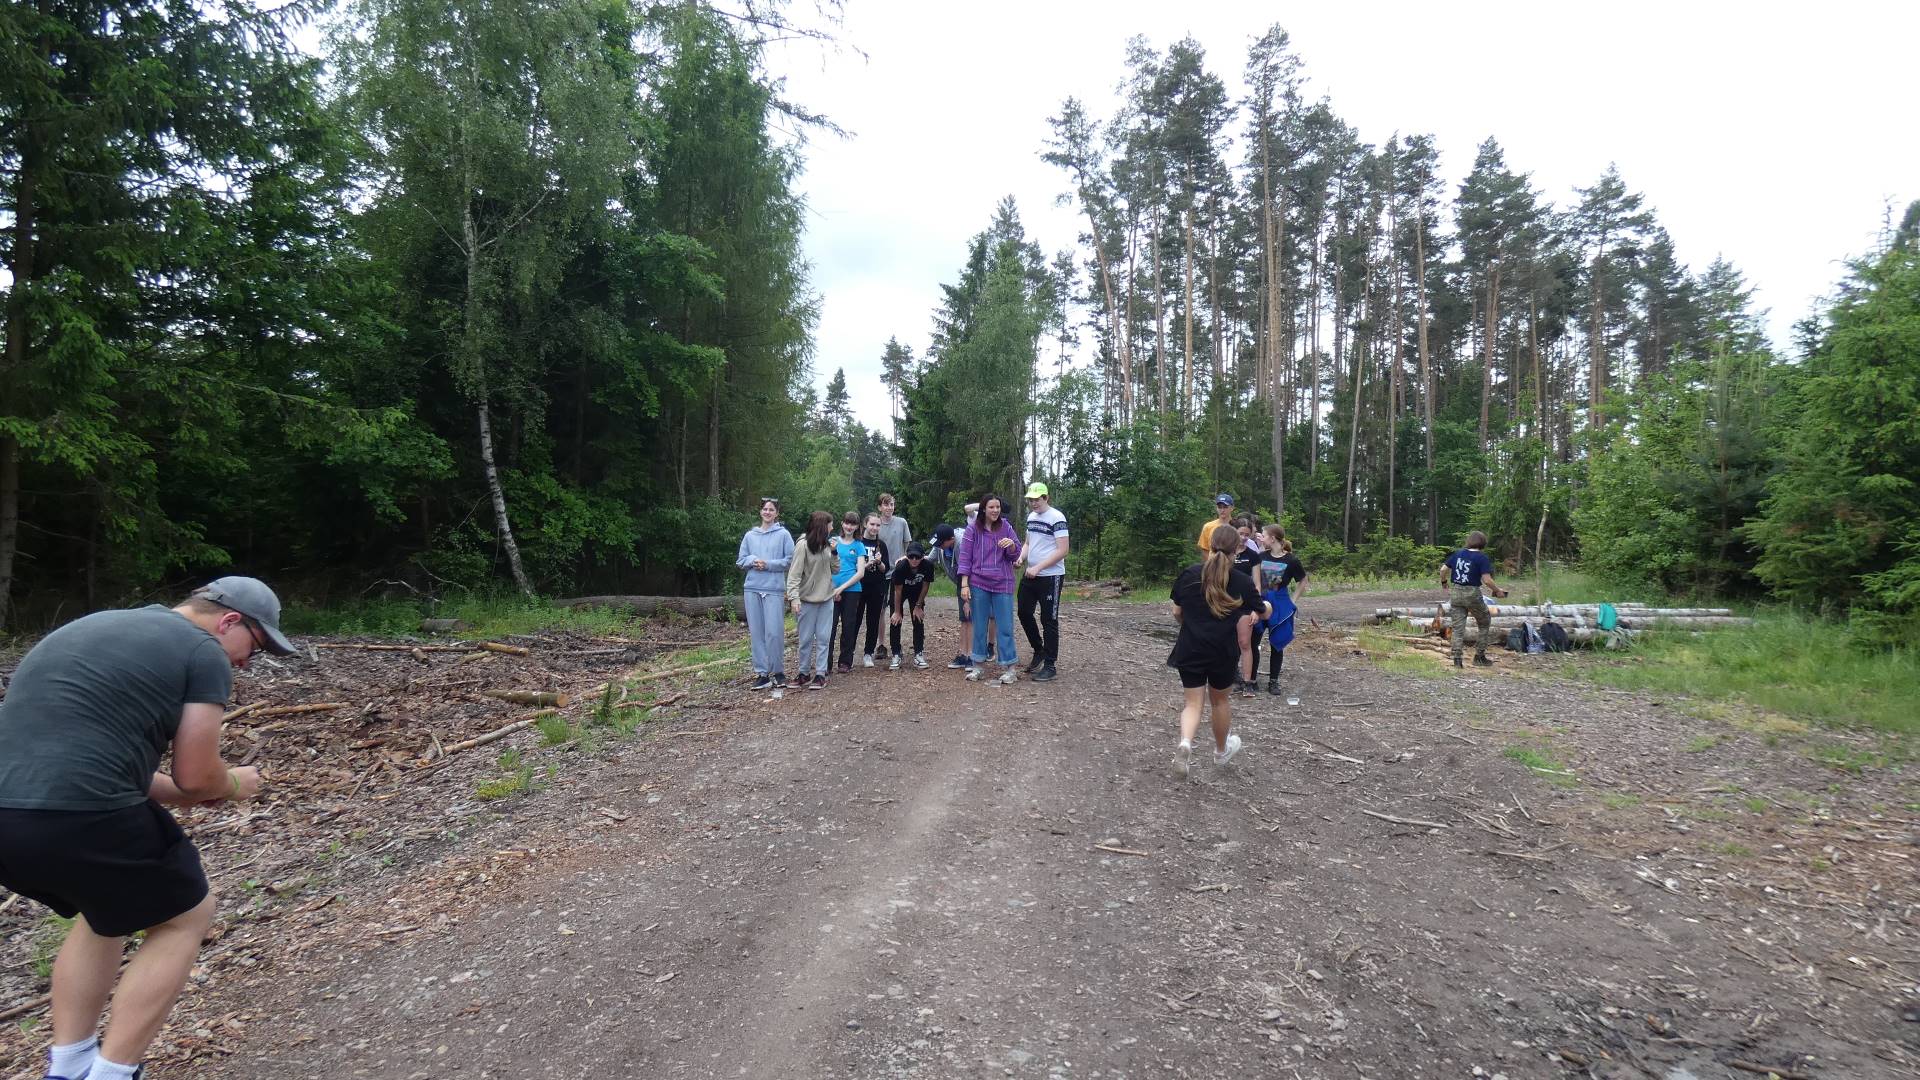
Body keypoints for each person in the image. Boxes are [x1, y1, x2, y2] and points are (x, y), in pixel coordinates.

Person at [0, 577, 293, 1080]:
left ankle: (68, 1066)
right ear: (229, 622)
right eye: (256, 646)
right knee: (186, 915)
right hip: (82, 814)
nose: (247, 663)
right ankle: (115, 1073)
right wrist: (233, 784)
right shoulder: (202, 650)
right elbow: (197, 776)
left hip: (10, 818)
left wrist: (199, 789)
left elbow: (117, 770)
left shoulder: (95, 626)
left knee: (105, 911)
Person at [1166, 525, 1270, 778]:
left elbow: (1177, 611)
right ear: (1236, 550)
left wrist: (1189, 625)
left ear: (1210, 546)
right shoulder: (1242, 581)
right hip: (1223, 652)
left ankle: (1185, 743)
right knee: (1219, 701)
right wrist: (1267, 605)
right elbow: (1263, 611)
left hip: (1190, 648)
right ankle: (1221, 751)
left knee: (1193, 704)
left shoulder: (1190, 574)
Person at [957, 493, 1022, 684]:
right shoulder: (972, 529)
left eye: (998, 507)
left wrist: (1011, 546)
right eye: (991, 507)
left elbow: (1015, 555)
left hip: (1003, 583)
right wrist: (964, 584)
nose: (995, 510)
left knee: (1005, 627)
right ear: (984, 509)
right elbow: (965, 558)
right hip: (979, 583)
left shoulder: (1006, 527)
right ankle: (977, 666)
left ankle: (1010, 668)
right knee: (979, 626)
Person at [736, 498, 795, 691]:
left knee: (774, 633)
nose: (767, 512)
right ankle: (762, 674)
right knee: (757, 633)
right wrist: (753, 561)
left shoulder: (783, 534)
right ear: (760, 512)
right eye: (765, 509)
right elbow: (741, 560)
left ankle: (778, 672)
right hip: (752, 588)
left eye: (771, 509)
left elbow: (790, 560)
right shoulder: (750, 535)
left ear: (777, 513)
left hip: (773, 589)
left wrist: (768, 564)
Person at [1017, 482, 1070, 683]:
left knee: (1049, 619)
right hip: (1031, 574)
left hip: (1051, 576)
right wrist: (1021, 557)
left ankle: (1050, 664)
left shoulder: (1057, 518)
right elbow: (1028, 543)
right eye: (1030, 500)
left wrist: (1039, 567)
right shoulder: (1031, 517)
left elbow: (1063, 550)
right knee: (1023, 612)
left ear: (1046, 498)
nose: (1033, 503)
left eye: (1037, 499)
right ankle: (1038, 649)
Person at [786, 511, 839, 690]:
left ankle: (820, 674)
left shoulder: (828, 545)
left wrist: (834, 552)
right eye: (830, 524)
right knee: (805, 639)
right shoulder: (802, 545)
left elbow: (836, 570)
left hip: (826, 598)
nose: (832, 527)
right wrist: (794, 598)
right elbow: (794, 574)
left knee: (824, 638)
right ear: (822, 526)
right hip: (807, 599)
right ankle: (803, 673)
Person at [1442, 530, 1509, 668]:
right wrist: (1498, 591)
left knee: (1458, 628)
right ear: (1483, 543)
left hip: (1456, 592)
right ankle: (1479, 656)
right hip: (1472, 594)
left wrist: (1444, 582)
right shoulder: (1481, 558)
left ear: (1469, 541)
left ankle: (1457, 660)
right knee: (1484, 622)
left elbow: (1443, 570)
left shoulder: (1458, 554)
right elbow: (1487, 580)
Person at [1258, 525, 1308, 695]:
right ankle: (1251, 680)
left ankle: (1273, 681)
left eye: (1264, 535)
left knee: (1277, 643)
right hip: (1261, 600)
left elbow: (1303, 580)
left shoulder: (1291, 560)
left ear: (1272, 538)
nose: (1262, 538)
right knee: (1254, 640)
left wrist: (1293, 601)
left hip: (1280, 602)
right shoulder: (1261, 556)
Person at [929, 514, 975, 669]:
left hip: (972, 582)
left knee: (971, 618)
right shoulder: (940, 546)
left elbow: (967, 568)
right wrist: (909, 558)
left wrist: (966, 593)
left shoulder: (962, 543)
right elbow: (929, 559)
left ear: (951, 539)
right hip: (961, 582)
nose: (938, 546)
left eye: (941, 543)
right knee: (964, 619)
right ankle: (963, 654)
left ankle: (973, 656)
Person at [828, 511, 869, 674]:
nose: (849, 527)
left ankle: (845, 661)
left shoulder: (859, 545)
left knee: (848, 626)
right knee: (829, 627)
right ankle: (826, 663)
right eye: (847, 523)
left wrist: (841, 588)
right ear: (842, 523)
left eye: (853, 524)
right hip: (831, 590)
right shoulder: (832, 542)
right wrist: (833, 588)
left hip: (852, 590)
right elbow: (825, 566)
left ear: (857, 526)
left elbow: (860, 573)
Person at [888, 543, 935, 669]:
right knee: (895, 620)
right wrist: (897, 611)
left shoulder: (928, 566)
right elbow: (897, 591)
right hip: (900, 590)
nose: (914, 560)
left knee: (918, 619)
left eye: (917, 557)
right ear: (906, 556)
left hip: (917, 591)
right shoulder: (901, 567)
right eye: (911, 557)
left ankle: (918, 653)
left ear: (922, 557)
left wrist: (918, 606)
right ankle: (896, 653)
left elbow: (925, 586)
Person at [857, 514, 894, 667]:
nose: (875, 528)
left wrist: (878, 562)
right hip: (858, 587)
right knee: (855, 620)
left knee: (873, 621)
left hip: (877, 587)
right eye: (872, 524)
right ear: (865, 524)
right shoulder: (858, 543)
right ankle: (848, 654)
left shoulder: (881, 545)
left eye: (878, 525)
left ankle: (868, 653)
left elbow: (886, 569)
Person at [1230, 516, 1263, 693]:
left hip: (1245, 605)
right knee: (1228, 643)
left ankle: (1248, 682)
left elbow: (1257, 584)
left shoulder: (1253, 555)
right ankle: (1230, 677)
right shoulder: (1226, 552)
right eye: (1240, 534)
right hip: (1226, 604)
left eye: (1247, 535)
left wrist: (1257, 609)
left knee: (1245, 642)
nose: (1243, 538)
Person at [874, 494, 913, 584]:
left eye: (891, 504)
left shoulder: (902, 522)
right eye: (886, 505)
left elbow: (907, 544)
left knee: (897, 594)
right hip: (881, 569)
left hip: (898, 569)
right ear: (879, 507)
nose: (889, 507)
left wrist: (904, 559)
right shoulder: (875, 524)